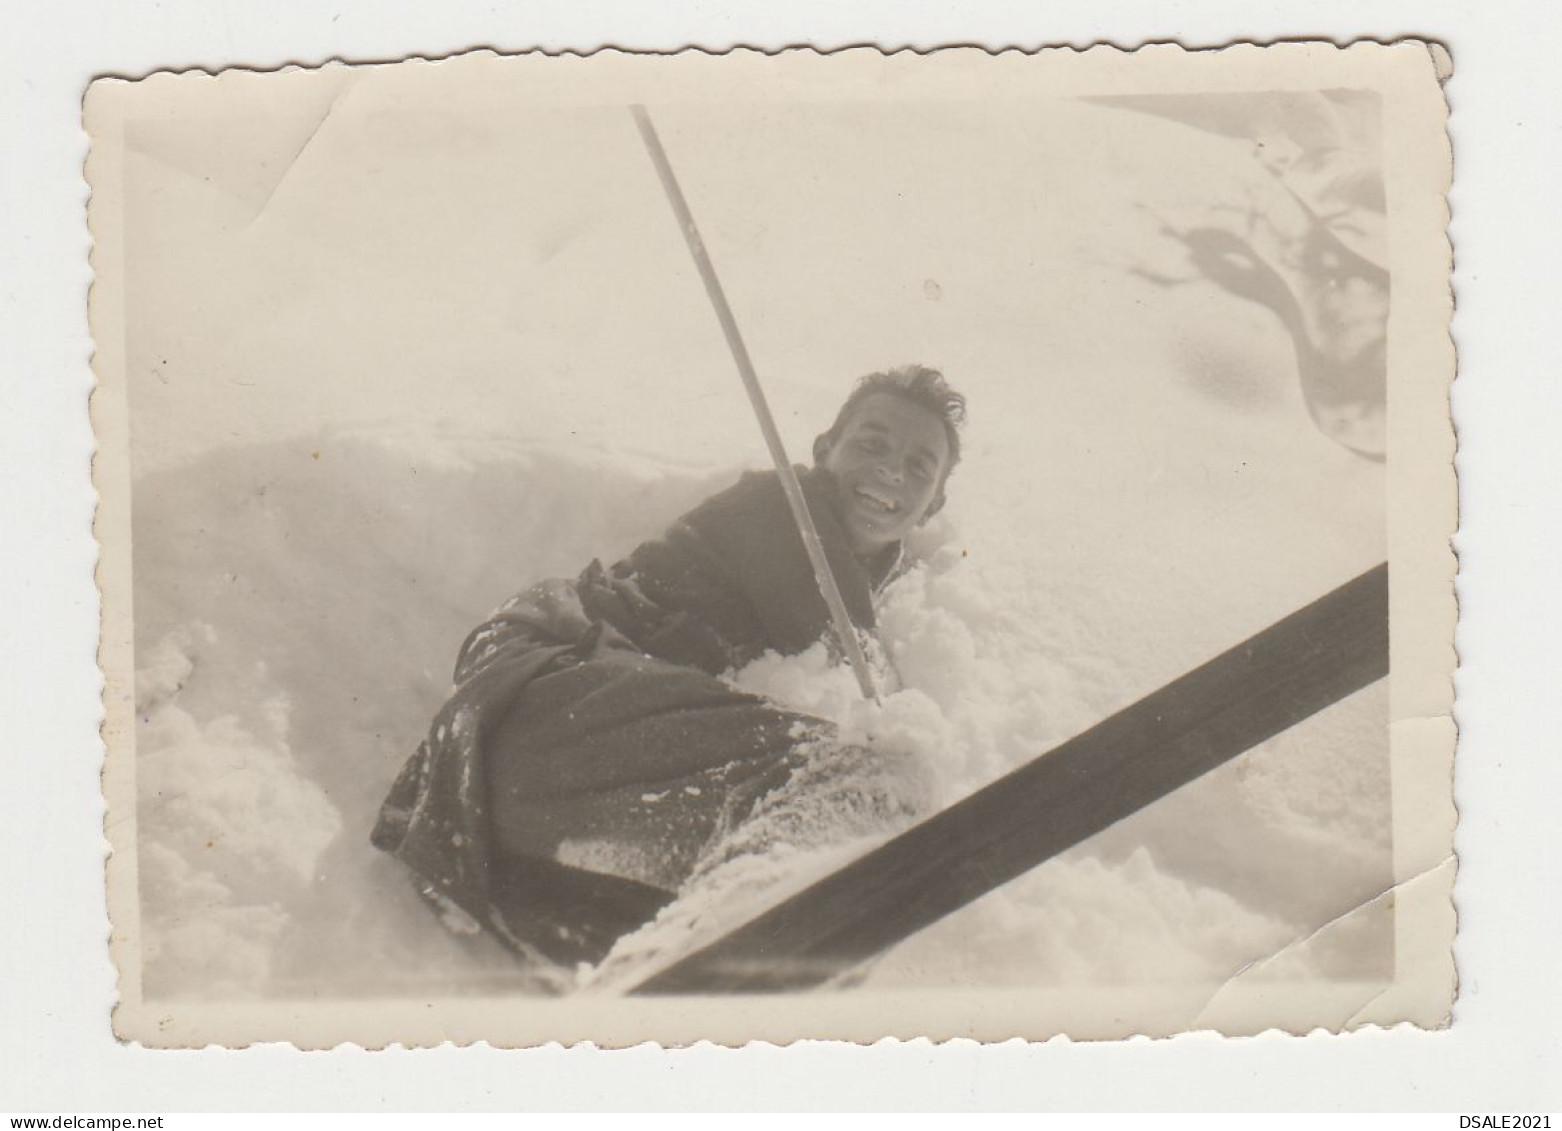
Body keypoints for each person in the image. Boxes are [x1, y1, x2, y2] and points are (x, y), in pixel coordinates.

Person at [371, 365, 967, 967]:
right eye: (871, 443)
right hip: (549, 700)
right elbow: (851, 659)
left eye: (920, 466)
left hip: (563, 805)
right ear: (821, 451)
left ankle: (684, 960)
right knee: (880, 782)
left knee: (814, 841)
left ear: (933, 503)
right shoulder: (781, 507)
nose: (892, 469)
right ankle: (736, 936)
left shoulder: (863, 579)